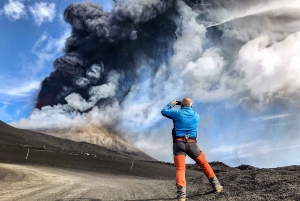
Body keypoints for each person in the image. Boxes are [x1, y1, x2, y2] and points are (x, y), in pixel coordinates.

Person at [161, 98, 223, 201]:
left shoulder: (177, 113)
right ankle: (216, 186)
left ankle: (181, 196)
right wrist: (186, 106)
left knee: (180, 169)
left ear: (181, 105)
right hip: (192, 144)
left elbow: (163, 111)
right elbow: (189, 110)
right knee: (203, 163)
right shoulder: (196, 116)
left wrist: (172, 104)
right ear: (191, 105)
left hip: (178, 144)